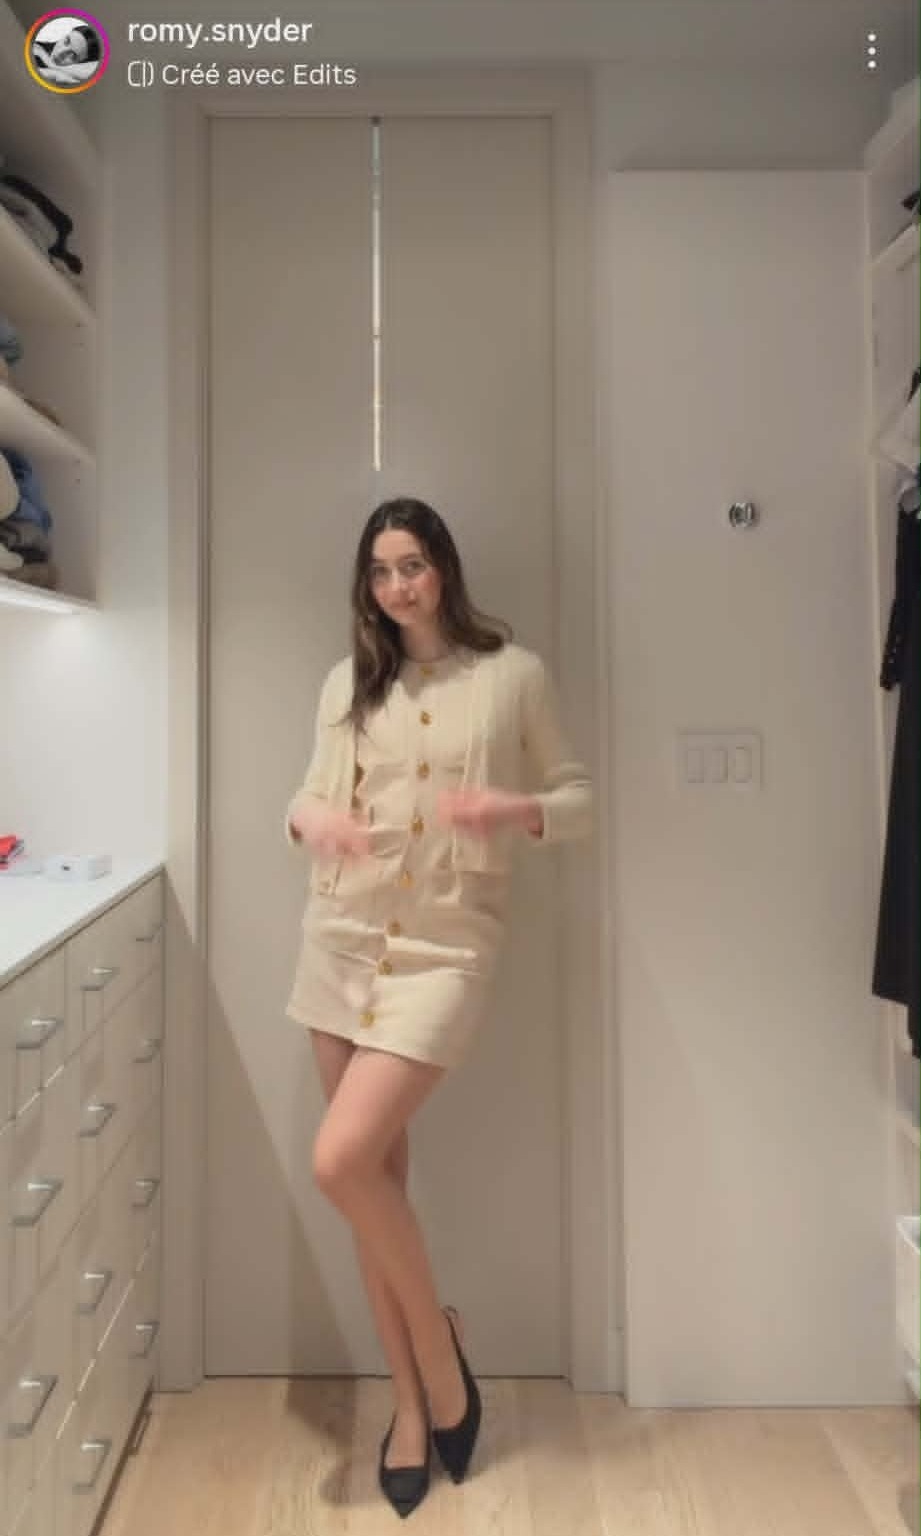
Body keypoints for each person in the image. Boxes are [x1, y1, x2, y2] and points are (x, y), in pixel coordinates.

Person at [284, 496, 592, 1517]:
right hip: (341, 946)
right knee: (373, 1186)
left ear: (443, 567)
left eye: (410, 565)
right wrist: (315, 822)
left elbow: (579, 798)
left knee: (340, 1162)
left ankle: (442, 1357)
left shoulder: (512, 676)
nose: (396, 587)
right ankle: (412, 1406)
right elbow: (304, 797)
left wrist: (517, 809)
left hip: (444, 954)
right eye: (379, 572)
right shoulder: (348, 683)